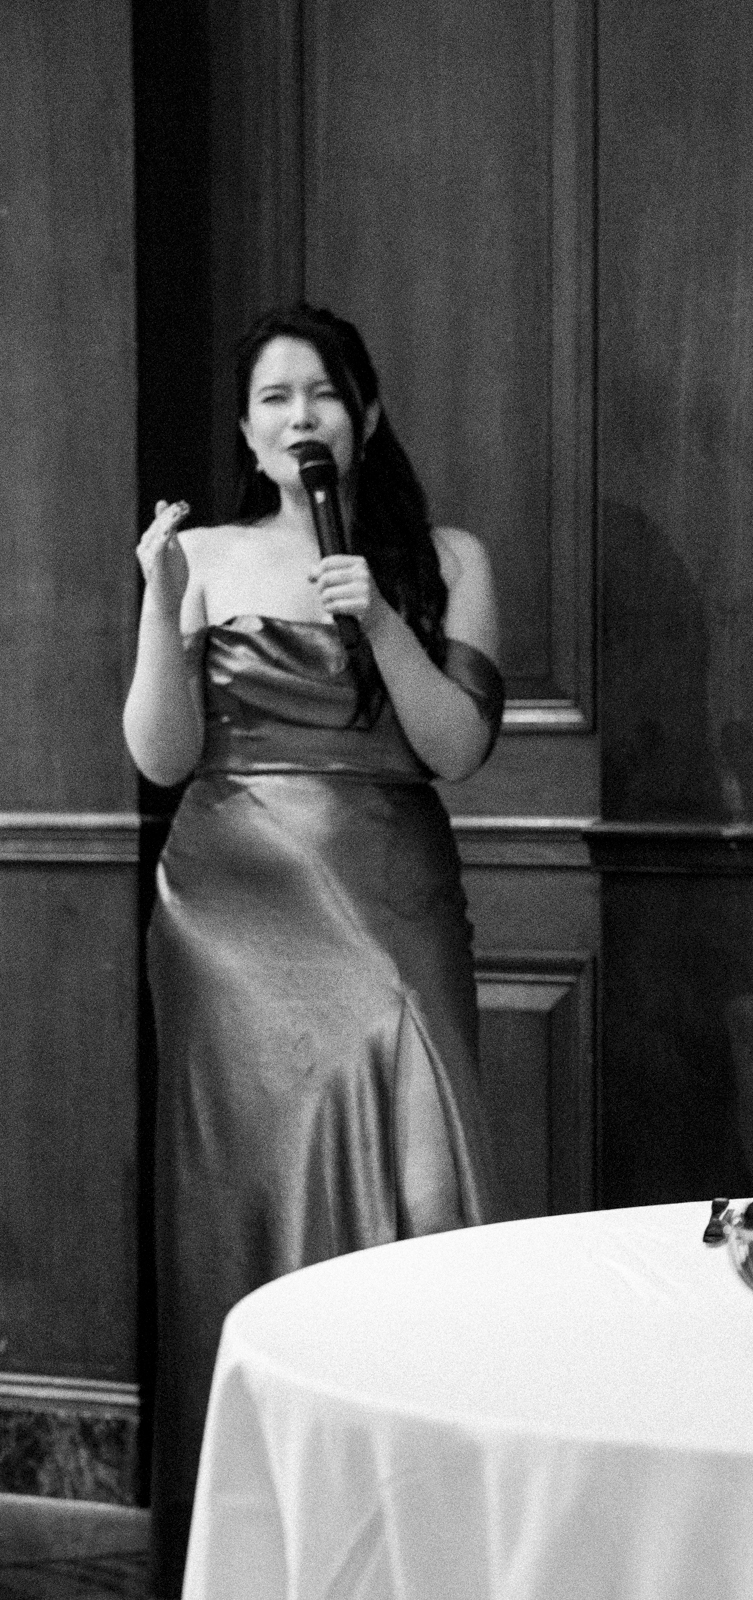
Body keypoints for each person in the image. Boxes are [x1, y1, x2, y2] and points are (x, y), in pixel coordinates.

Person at [123, 304, 504, 1591]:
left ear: (368, 412)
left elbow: (455, 749)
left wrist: (383, 621)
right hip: (227, 914)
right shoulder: (211, 554)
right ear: (246, 429)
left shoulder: (445, 556)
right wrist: (158, 601)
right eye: (274, 398)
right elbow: (161, 757)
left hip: (390, 891)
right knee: (244, 1202)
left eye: (323, 395)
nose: (300, 418)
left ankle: (418, 1532)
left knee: (422, 1177)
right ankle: (259, 1537)